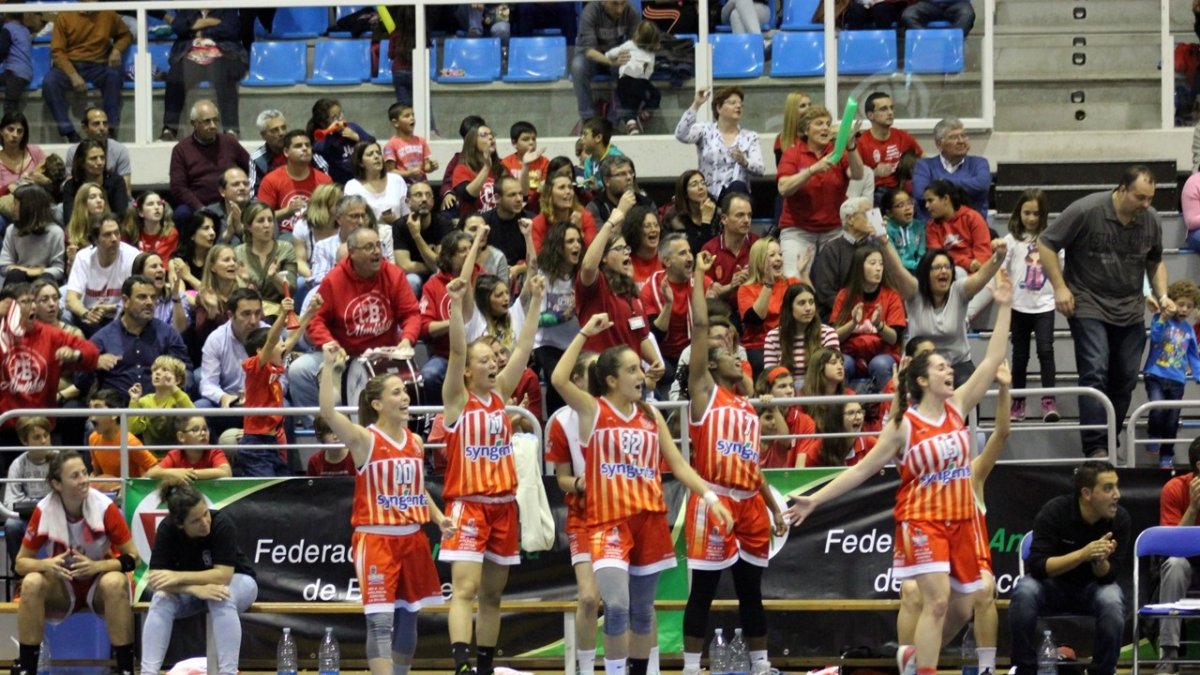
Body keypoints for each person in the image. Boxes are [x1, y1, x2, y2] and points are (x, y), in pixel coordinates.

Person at [783, 268, 1014, 675]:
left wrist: (1006, 305)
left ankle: (911, 658)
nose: (950, 371)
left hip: (961, 520)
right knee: (937, 599)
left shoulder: (958, 406)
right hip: (922, 519)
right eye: (941, 367)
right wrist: (813, 499)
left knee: (963, 605)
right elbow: (860, 472)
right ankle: (922, 671)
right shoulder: (903, 425)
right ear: (922, 380)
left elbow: (994, 358)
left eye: (949, 366)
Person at [551, 313, 734, 675]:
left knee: (641, 610)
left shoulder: (650, 414)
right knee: (616, 606)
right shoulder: (593, 410)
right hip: (609, 522)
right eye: (633, 369)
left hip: (649, 519)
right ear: (611, 380)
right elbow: (558, 378)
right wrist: (586, 331)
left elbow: (680, 466)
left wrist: (712, 499)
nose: (642, 374)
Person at [318, 341, 452, 675]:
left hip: (413, 538)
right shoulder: (365, 439)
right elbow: (328, 413)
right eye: (396, 392)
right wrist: (329, 369)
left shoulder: (415, 442)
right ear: (377, 403)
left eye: (405, 391)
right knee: (380, 623)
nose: (405, 397)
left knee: (409, 617)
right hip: (376, 539)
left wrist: (438, 517)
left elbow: (417, 487)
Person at [682, 250, 784, 675]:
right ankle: (689, 667)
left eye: (732, 345)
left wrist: (776, 507)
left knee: (751, 591)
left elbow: (753, 469)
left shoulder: (746, 407)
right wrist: (699, 281)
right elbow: (702, 326)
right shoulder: (705, 391)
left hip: (750, 502)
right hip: (714, 501)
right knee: (703, 590)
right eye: (720, 347)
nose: (728, 348)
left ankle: (760, 666)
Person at [440, 271, 544, 675]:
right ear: (468, 370)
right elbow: (453, 352)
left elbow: (524, 345)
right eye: (482, 359)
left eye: (492, 359)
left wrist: (534, 300)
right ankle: (461, 664)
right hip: (468, 505)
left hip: (503, 506)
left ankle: (485, 666)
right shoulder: (456, 399)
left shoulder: (500, 393)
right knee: (464, 590)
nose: (491, 362)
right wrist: (453, 306)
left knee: (493, 596)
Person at [1038, 165, 1169, 458]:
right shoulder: (1086, 210)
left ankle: (1110, 440)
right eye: (1140, 197)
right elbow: (1046, 243)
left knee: (1124, 378)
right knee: (1095, 370)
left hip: (1130, 307)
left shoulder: (1151, 220)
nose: (1146, 204)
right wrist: (1059, 287)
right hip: (1088, 302)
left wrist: (1161, 294)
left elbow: (1156, 261)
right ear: (1122, 189)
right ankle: (1096, 448)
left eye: (1150, 198)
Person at [895, 361, 1012, 675]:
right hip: (933, 546)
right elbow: (900, 444)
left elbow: (1001, 434)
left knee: (984, 588)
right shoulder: (924, 471)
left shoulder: (972, 474)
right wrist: (899, 392)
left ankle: (984, 668)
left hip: (970, 556)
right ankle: (910, 663)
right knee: (911, 590)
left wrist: (1003, 387)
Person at [12, 451, 139, 675]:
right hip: (62, 586)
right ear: (56, 484)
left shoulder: (105, 507)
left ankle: (125, 669)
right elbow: (20, 564)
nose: (84, 480)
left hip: (99, 585)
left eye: (84, 472)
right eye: (75, 476)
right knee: (31, 582)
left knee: (114, 582)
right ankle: (27, 669)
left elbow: (132, 558)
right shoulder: (43, 509)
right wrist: (46, 565)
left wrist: (97, 566)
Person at [1008, 461, 1129, 675]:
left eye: (1117, 486)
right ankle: (1024, 669)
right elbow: (1037, 567)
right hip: (1051, 586)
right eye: (1108, 488)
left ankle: (1102, 671)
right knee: (1025, 591)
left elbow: (1109, 576)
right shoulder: (1055, 511)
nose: (1117, 495)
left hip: (1093, 588)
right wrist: (1083, 554)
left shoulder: (1120, 519)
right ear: (1086, 493)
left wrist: (1099, 560)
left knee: (1112, 600)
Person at [287, 226, 421, 411]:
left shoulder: (394, 274)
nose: (376, 252)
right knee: (298, 370)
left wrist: (407, 340)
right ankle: (322, 431)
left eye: (378, 245)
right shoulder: (334, 280)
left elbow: (411, 313)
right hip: (344, 354)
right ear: (352, 253)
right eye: (368, 247)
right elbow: (316, 320)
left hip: (384, 354)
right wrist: (330, 343)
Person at [140, 481, 258, 675]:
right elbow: (156, 579)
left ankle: (228, 672)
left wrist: (178, 577)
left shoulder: (221, 523)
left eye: (205, 514)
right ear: (180, 524)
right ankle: (148, 673)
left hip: (239, 581)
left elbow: (223, 575)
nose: (205, 523)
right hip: (195, 591)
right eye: (195, 521)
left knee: (221, 596)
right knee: (161, 599)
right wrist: (194, 589)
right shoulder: (167, 529)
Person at [544, 351, 603, 675]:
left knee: (627, 601)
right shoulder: (562, 421)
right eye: (591, 373)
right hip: (583, 516)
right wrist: (579, 483)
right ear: (576, 380)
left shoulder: (619, 411)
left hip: (620, 514)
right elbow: (562, 478)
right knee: (589, 598)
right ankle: (585, 667)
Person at [880, 237, 1005, 386]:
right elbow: (897, 270)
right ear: (926, 273)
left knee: (967, 386)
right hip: (921, 365)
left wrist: (999, 255)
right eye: (937, 267)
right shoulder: (914, 292)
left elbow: (981, 275)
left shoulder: (959, 291)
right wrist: (885, 242)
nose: (944, 271)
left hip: (957, 365)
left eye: (947, 267)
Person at [0, 284, 97, 454]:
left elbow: (92, 353)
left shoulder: (51, 334)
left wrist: (75, 355)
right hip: (5, 427)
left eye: (32, 301)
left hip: (41, 429)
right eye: (24, 301)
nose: (32, 306)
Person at [576, 205, 666, 382]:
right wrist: (609, 224)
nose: (626, 252)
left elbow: (640, 335)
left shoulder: (631, 292)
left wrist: (656, 361)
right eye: (619, 249)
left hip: (630, 378)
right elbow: (587, 266)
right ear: (603, 257)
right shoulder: (597, 285)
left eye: (627, 249)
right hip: (601, 376)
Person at [777, 106, 865, 280]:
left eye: (827, 123)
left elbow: (857, 174)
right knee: (793, 280)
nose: (825, 127)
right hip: (798, 229)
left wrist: (851, 146)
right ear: (805, 130)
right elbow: (783, 188)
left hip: (834, 229)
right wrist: (812, 170)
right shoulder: (793, 153)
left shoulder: (837, 152)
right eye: (819, 124)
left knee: (843, 279)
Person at [239, 295, 321, 476]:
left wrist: (310, 311)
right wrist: (283, 314)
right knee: (267, 495)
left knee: (283, 490)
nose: (283, 345)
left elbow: (293, 337)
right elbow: (271, 340)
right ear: (260, 351)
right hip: (256, 444)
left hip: (275, 440)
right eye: (278, 343)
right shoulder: (256, 368)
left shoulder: (275, 365)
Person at [1000, 188, 1060, 423]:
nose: (1032, 218)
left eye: (1036, 214)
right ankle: (1018, 401)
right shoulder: (1011, 240)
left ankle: (1049, 400)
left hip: (1044, 305)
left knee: (1046, 351)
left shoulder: (1051, 238)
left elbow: (1059, 266)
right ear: (1019, 212)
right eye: (1027, 213)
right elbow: (1001, 268)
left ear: (1043, 214)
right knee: (1020, 355)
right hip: (1019, 305)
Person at [82, 274, 191, 395]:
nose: (150, 302)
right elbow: (80, 382)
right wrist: (94, 363)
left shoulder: (168, 334)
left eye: (153, 297)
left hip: (158, 408)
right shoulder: (103, 338)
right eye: (142, 297)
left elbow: (186, 373)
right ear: (125, 301)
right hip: (115, 409)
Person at [43, 4, 130, 142]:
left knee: (113, 77)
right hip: (70, 64)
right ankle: (69, 133)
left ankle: (110, 130)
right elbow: (57, 51)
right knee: (50, 82)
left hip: (97, 65)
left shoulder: (107, 13)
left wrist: (117, 49)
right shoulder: (65, 15)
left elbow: (126, 35)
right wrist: (72, 74)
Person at [418, 229, 486, 406]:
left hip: (479, 353)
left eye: (471, 249)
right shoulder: (433, 285)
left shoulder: (483, 278)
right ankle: (435, 422)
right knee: (429, 375)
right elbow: (425, 328)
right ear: (448, 256)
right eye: (462, 250)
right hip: (445, 355)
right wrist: (455, 323)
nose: (468, 254)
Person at [159, 10, 246, 141]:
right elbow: (178, 27)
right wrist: (212, 23)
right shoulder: (188, 8)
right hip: (191, 57)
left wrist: (202, 27)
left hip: (221, 56)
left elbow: (231, 30)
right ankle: (169, 129)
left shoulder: (226, 9)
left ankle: (231, 130)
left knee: (226, 77)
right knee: (174, 77)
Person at [830, 245, 906, 390]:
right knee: (842, 365)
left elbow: (894, 338)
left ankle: (888, 409)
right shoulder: (844, 295)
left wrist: (879, 325)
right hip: (850, 354)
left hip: (884, 353)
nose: (879, 268)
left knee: (880, 365)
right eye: (872, 263)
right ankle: (840, 410)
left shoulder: (891, 295)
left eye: (881, 264)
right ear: (859, 267)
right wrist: (853, 323)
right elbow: (835, 337)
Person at [1154, 437, 1200, 671]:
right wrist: (1193, 508)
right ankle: (1169, 655)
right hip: (1189, 567)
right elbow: (1172, 546)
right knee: (1174, 564)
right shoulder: (1175, 489)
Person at [1143, 280, 1200, 468]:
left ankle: (1167, 454)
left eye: (1189, 306)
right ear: (1172, 301)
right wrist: (1162, 318)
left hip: (1177, 380)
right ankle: (1153, 435)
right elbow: (1156, 337)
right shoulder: (1161, 318)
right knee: (1158, 408)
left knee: (1172, 420)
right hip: (1155, 374)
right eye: (1181, 304)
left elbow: (1193, 355)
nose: (1184, 309)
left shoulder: (1189, 330)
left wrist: (1198, 374)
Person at [642, 232, 705, 399]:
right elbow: (654, 336)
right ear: (667, 261)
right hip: (666, 357)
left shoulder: (698, 280)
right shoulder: (652, 287)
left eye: (690, 252)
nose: (690, 258)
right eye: (682, 253)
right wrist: (668, 304)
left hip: (694, 352)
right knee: (666, 372)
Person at [196, 288, 266, 437]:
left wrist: (258, 394)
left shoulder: (271, 336)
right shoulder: (216, 339)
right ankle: (213, 458)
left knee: (283, 406)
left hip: (262, 402)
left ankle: (282, 460)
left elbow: (282, 380)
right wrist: (223, 397)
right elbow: (207, 384)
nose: (253, 320)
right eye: (246, 314)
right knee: (201, 407)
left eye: (257, 313)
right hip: (228, 403)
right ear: (230, 315)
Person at [168, 100, 251, 224]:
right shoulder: (181, 150)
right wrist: (200, 208)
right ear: (194, 124)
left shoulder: (229, 142)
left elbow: (252, 168)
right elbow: (178, 187)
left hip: (231, 202)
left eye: (215, 120)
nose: (213, 125)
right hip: (198, 205)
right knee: (182, 214)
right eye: (207, 121)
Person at [675, 87, 765, 200]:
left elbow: (760, 169)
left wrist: (745, 162)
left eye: (740, 104)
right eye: (733, 103)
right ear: (719, 108)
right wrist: (696, 104)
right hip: (707, 197)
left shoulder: (750, 137)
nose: (738, 106)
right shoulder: (705, 130)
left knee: (737, 186)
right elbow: (681, 134)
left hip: (736, 200)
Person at [534, 221, 585, 414]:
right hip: (548, 344)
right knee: (558, 382)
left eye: (578, 241)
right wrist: (560, 317)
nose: (576, 246)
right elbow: (535, 319)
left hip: (576, 343)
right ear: (558, 246)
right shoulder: (544, 276)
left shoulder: (583, 276)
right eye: (570, 241)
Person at [64, 213, 139, 335]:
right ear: (95, 239)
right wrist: (87, 314)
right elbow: (71, 298)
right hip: (89, 316)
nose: (114, 239)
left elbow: (138, 299)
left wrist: (109, 308)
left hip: (120, 315)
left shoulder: (133, 256)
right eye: (107, 235)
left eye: (117, 233)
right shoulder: (83, 257)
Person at [571, 0, 639, 131]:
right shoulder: (590, 12)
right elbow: (589, 51)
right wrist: (610, 61)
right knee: (577, 66)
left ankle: (623, 116)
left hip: (615, 52)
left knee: (629, 66)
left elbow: (635, 45)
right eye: (614, 4)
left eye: (623, 4)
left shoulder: (631, 11)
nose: (620, 9)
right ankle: (588, 119)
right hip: (590, 56)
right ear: (603, 2)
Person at [737, 237, 802, 376]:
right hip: (759, 346)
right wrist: (768, 284)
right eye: (772, 255)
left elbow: (808, 311)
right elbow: (755, 320)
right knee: (763, 364)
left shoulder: (792, 283)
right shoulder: (746, 289)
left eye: (780, 254)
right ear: (759, 261)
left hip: (790, 341)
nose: (778, 259)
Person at [811, 196, 878, 321]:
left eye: (874, 213)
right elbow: (825, 293)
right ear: (850, 219)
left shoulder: (876, 247)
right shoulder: (831, 249)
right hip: (839, 316)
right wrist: (854, 312)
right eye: (867, 213)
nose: (873, 218)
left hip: (873, 315)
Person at [911, 118, 990, 221]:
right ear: (939, 144)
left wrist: (939, 183)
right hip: (934, 229)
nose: (961, 141)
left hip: (969, 229)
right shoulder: (924, 165)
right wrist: (962, 190)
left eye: (963, 136)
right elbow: (920, 193)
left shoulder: (979, 163)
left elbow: (982, 185)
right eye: (954, 137)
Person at [257, 130, 334, 237]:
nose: (305, 149)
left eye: (308, 145)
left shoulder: (324, 180)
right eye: (298, 146)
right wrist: (287, 211)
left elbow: (334, 214)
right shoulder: (271, 180)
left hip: (316, 233)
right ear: (286, 152)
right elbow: (260, 216)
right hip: (284, 235)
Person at [763, 282, 840, 382]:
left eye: (811, 302)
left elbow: (832, 375)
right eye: (802, 303)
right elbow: (770, 377)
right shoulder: (773, 337)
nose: (808, 308)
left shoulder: (828, 334)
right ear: (789, 308)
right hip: (787, 392)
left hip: (818, 391)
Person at [3, 416, 53, 566]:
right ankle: (20, 573)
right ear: (25, 441)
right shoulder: (18, 464)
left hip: (56, 511)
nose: (44, 441)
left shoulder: (59, 459)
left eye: (46, 435)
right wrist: (35, 506)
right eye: (37, 437)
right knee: (12, 526)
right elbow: (10, 502)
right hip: (28, 514)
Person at [856, 92, 923, 203]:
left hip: (901, 190)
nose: (890, 113)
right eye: (884, 109)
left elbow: (924, 161)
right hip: (875, 192)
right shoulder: (862, 142)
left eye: (891, 108)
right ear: (870, 115)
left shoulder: (902, 136)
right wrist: (873, 173)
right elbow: (854, 180)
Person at [234, 201, 297, 316]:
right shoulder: (238, 253)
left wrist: (275, 277)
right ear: (248, 226)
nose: (267, 225)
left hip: (280, 312)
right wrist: (247, 282)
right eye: (260, 221)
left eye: (270, 220)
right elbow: (235, 294)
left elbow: (291, 290)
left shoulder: (285, 248)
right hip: (250, 313)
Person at [248, 110, 331, 195]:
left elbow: (324, 172)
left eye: (283, 127)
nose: (281, 133)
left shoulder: (303, 149)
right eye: (274, 130)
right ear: (263, 135)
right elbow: (254, 194)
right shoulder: (258, 159)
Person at [395, 181, 456, 296]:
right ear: (408, 202)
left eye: (428, 195)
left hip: (437, 274)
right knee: (411, 280)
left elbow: (441, 265)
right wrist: (433, 265)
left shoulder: (444, 224)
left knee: (437, 278)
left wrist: (416, 236)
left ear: (433, 201)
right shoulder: (400, 226)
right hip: (414, 275)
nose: (424, 199)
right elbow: (404, 266)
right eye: (418, 195)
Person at [0, 183, 64, 286]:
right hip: (20, 278)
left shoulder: (55, 232)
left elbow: (59, 269)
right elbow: (4, 265)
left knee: (46, 278)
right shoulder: (12, 229)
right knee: (15, 275)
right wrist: (26, 270)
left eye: (16, 204)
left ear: (28, 207)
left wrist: (40, 271)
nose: (13, 208)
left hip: (44, 279)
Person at [605, 21, 661, 135]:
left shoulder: (629, 45)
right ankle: (646, 112)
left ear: (637, 34)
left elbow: (611, 54)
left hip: (625, 81)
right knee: (656, 95)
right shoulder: (651, 54)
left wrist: (608, 57)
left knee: (626, 104)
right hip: (641, 82)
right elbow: (649, 71)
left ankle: (631, 123)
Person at [127, 355, 193, 448]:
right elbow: (133, 430)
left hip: (176, 456)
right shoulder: (144, 401)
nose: (157, 372)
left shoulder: (180, 398)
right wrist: (134, 401)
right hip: (150, 456)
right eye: (154, 370)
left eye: (165, 370)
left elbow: (193, 417)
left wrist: (173, 387)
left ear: (177, 380)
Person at [700, 192, 757, 299]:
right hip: (721, 311)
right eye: (740, 215)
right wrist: (731, 286)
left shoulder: (759, 245)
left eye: (749, 215)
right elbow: (707, 295)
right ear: (724, 219)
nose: (746, 220)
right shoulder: (709, 250)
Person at [64, 107, 132, 194]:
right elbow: (71, 185)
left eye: (105, 123)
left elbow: (125, 190)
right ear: (84, 127)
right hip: (82, 199)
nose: (102, 128)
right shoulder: (73, 151)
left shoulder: (120, 150)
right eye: (96, 124)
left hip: (113, 198)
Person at [345, 140, 409, 230]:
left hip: (398, 235)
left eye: (378, 153)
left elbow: (408, 215)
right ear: (360, 163)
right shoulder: (352, 186)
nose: (376, 157)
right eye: (370, 154)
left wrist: (396, 221)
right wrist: (378, 222)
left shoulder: (396, 180)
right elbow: (351, 221)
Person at [62, 138, 129, 221]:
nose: (100, 162)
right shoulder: (71, 186)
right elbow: (69, 218)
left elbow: (121, 215)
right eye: (93, 158)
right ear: (81, 162)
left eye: (102, 157)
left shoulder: (116, 181)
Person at [584, 155, 654, 233]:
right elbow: (602, 242)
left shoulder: (646, 204)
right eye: (622, 174)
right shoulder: (595, 208)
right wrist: (621, 211)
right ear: (607, 181)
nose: (629, 177)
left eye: (631, 173)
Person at [535, 173, 599, 252]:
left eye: (570, 187)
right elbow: (539, 258)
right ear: (549, 194)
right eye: (562, 188)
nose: (568, 191)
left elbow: (593, 252)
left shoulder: (585, 217)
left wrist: (578, 231)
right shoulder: (538, 223)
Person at [802, 400, 877, 468]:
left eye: (860, 412)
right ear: (837, 419)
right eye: (851, 413)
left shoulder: (871, 444)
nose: (858, 417)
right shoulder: (818, 449)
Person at [451, 124, 505, 215]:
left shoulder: (501, 167)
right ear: (472, 142)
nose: (491, 137)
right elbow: (469, 196)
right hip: (473, 222)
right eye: (484, 135)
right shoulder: (461, 169)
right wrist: (486, 167)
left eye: (492, 134)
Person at [158, 416, 233, 480]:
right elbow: (152, 472)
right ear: (181, 437)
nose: (203, 433)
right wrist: (174, 473)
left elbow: (226, 472)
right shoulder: (175, 454)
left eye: (205, 429)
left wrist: (189, 474)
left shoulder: (214, 452)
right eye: (195, 430)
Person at [664, 170, 720, 255]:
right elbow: (695, 252)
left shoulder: (718, 214)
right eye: (694, 184)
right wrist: (706, 221)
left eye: (703, 183)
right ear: (685, 193)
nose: (701, 187)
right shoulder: (675, 219)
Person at [383, 101, 437, 184]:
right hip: (403, 187)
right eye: (407, 116)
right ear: (395, 123)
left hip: (422, 185)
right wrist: (408, 173)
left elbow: (425, 167)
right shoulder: (390, 145)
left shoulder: (421, 141)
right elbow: (390, 171)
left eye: (412, 115)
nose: (412, 118)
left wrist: (432, 166)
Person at [500, 120, 549, 208]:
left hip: (537, 203)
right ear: (514, 143)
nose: (531, 142)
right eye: (526, 139)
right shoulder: (506, 163)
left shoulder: (544, 162)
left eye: (534, 139)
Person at [0, 111, 47, 201]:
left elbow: (52, 180)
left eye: (20, 131)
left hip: (36, 204)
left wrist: (45, 181)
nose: (15, 135)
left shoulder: (35, 152)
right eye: (10, 129)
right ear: (1, 131)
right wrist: (10, 186)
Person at [173, 210, 219, 292]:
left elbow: (215, 296)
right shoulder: (178, 261)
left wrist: (188, 276)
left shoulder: (217, 259)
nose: (212, 233)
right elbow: (180, 297)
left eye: (213, 228)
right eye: (206, 228)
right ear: (192, 235)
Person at [125, 192, 178, 261]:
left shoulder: (170, 233)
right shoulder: (130, 232)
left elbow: (155, 260)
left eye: (159, 204)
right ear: (141, 212)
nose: (156, 207)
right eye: (150, 204)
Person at [205, 168, 252, 244]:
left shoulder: (262, 211)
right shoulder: (208, 215)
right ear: (222, 191)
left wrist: (241, 231)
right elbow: (202, 250)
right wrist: (228, 235)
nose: (242, 188)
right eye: (236, 184)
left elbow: (270, 243)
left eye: (246, 184)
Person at [884, 188, 925, 274]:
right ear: (889, 213)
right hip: (896, 271)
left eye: (910, 203)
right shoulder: (886, 229)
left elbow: (922, 253)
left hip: (917, 269)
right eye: (900, 205)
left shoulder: (919, 226)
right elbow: (892, 259)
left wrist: (920, 266)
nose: (908, 208)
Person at [622, 205, 663, 289]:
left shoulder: (667, 258)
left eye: (656, 225)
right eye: (647, 226)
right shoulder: (625, 261)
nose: (654, 229)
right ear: (635, 230)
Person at [0, 11, 32, 115]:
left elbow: (2, 51)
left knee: (10, 107)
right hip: (23, 73)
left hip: (15, 74)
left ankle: (10, 128)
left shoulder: (8, 28)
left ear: (6, 14)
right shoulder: (25, 30)